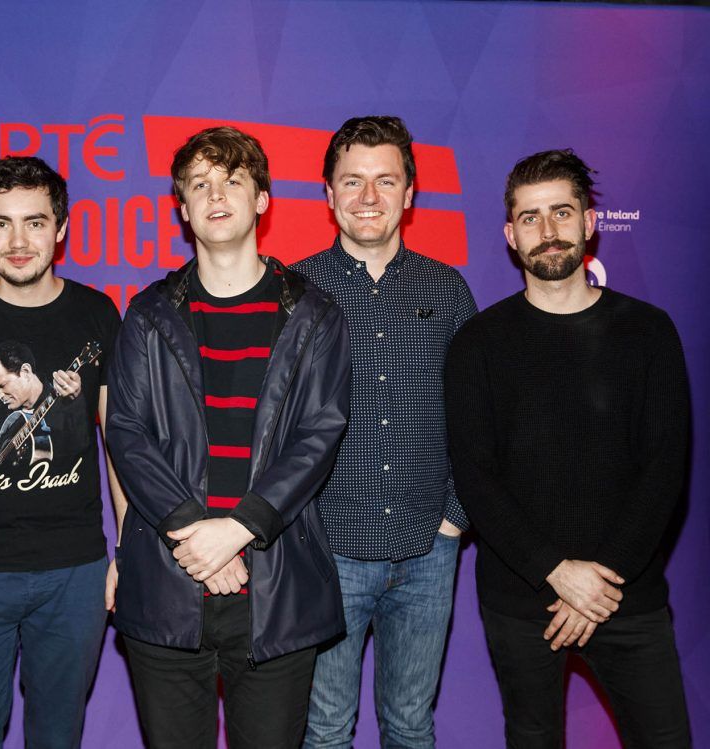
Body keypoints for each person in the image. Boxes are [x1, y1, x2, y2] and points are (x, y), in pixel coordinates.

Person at [105, 126, 350, 749]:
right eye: (199, 185)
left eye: (233, 181)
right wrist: (197, 535)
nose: (216, 195)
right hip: (168, 580)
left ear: (262, 199)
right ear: (182, 208)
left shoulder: (315, 314)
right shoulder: (147, 312)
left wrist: (237, 529)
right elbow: (127, 432)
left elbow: (319, 435)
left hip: (276, 585)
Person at [444, 149, 691, 748]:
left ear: (589, 222)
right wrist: (556, 572)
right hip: (521, 599)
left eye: (561, 212)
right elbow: (474, 476)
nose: (548, 231)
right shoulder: (479, 342)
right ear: (510, 234)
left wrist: (597, 584)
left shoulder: (648, 330)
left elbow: (666, 467)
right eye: (530, 218)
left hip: (627, 596)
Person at [0, 155, 125, 749]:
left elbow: (118, 444)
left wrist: (125, 547)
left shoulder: (96, 313)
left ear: (61, 228)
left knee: (58, 738)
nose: (16, 240)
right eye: (0, 222)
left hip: (74, 574)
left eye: (34, 222)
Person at [293, 116, 477, 749]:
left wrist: (454, 517)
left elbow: (478, 419)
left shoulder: (448, 290)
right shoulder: (294, 290)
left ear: (409, 194)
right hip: (326, 551)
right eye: (352, 181)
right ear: (328, 194)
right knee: (323, 732)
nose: (368, 197)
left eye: (384, 180)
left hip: (428, 548)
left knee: (410, 727)